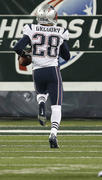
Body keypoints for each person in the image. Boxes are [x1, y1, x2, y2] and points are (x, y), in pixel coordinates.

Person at [13, 4, 70, 148]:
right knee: (57, 106)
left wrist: (27, 55)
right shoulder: (60, 31)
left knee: (41, 93)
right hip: (52, 70)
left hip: (37, 70)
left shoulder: (31, 29)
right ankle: (53, 134)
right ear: (52, 17)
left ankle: (41, 103)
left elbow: (17, 48)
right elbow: (67, 56)